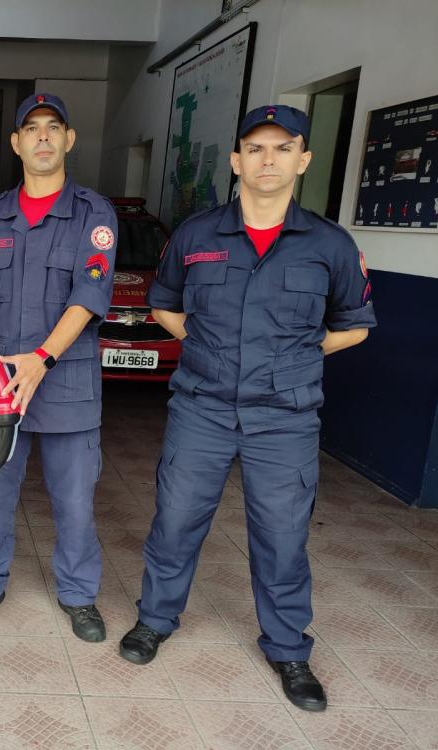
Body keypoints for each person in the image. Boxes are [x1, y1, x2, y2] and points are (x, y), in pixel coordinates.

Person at [119, 105, 376, 712]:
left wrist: (297, 355)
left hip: (284, 418)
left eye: (283, 148)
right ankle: (155, 620)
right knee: (175, 523)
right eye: (255, 148)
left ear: (303, 160)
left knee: (283, 537)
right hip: (202, 408)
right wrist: (211, 350)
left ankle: (288, 648)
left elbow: (356, 325)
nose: (268, 159)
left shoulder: (330, 245)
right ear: (236, 160)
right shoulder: (196, 235)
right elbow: (164, 307)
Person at [0, 93, 118, 642]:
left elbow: (90, 295)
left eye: (54, 127)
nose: (43, 136)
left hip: (65, 382)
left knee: (74, 499)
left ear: (69, 140)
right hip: (0, 383)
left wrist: (43, 357)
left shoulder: (94, 214)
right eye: (32, 128)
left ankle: (78, 595)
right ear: (16, 143)